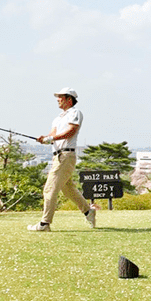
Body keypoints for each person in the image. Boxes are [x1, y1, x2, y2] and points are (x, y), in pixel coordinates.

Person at [27, 88, 96, 232]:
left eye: (60, 97)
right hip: (58, 156)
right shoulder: (58, 118)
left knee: (49, 189)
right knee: (67, 188)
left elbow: (71, 131)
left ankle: (45, 224)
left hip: (66, 156)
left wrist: (51, 138)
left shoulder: (75, 113)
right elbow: (53, 134)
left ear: (69, 99)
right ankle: (88, 212)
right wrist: (45, 139)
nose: (58, 99)